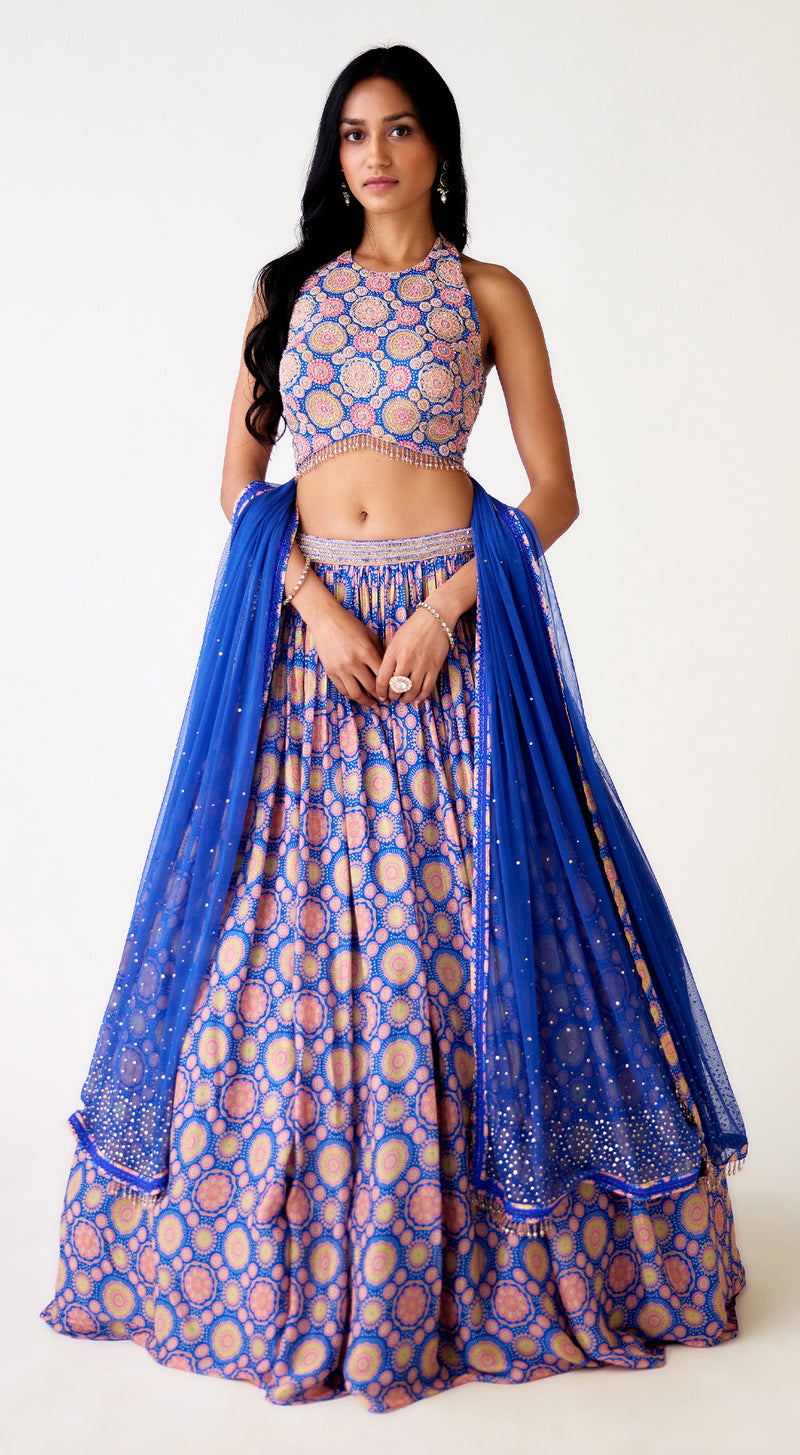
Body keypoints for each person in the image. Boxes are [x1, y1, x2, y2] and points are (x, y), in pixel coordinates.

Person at [40, 45, 747, 1414]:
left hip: (451, 650)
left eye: (402, 129)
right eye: (355, 133)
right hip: (314, 658)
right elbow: (241, 484)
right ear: (336, 154)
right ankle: (289, 1256)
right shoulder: (287, 292)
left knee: (464, 924)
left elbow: (553, 491)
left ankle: (490, 1258)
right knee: (286, 935)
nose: (375, 155)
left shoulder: (489, 295)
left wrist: (444, 609)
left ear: (439, 150)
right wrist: (314, 606)